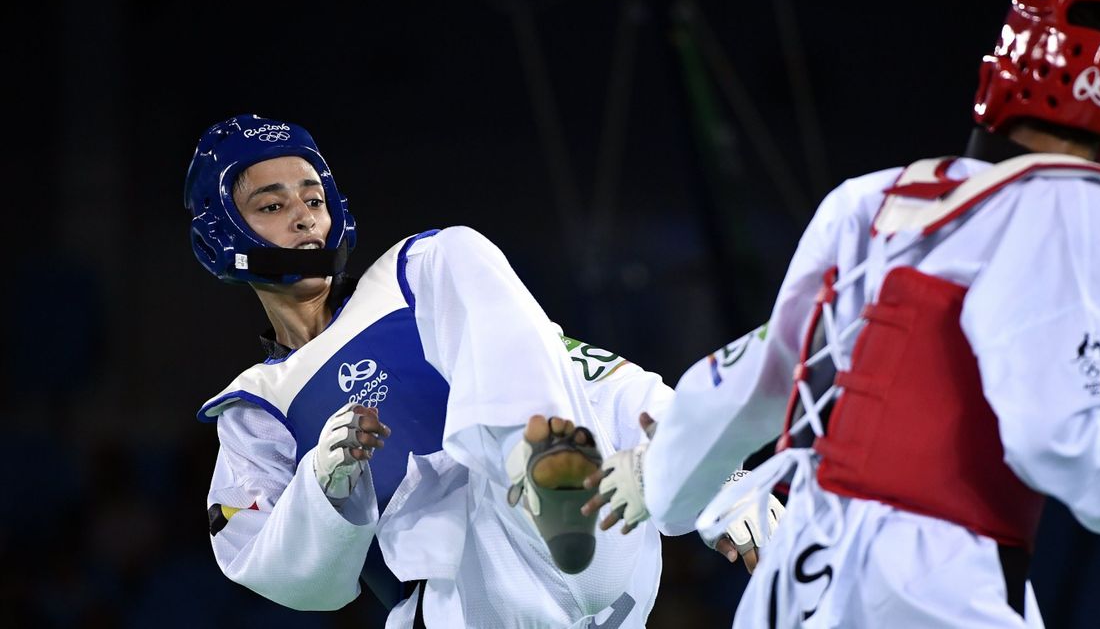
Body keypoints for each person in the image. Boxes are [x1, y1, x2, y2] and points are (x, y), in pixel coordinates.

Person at [629, 0, 1100, 627]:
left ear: (999, 74)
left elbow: (761, 379)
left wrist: (666, 492)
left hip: (799, 571)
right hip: (934, 575)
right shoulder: (1078, 204)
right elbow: (1050, 427)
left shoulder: (872, 199)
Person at [186, 114, 727, 628]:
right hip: (465, 603)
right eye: (272, 206)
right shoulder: (255, 410)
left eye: (313, 198)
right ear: (222, 235)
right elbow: (294, 582)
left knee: (454, 248)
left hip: (570, 537)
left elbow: (597, 382)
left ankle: (553, 472)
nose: (303, 216)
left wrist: (725, 482)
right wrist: (324, 485)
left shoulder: (415, 282)